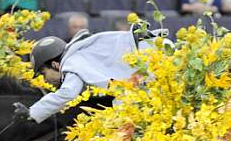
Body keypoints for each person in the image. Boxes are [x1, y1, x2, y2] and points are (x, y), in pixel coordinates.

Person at [13, 27, 165, 123]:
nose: (45, 79)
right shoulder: (82, 52)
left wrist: (33, 113)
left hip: (159, 66)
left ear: (54, 64)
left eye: (43, 73)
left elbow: (67, 93)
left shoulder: (72, 62)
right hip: (160, 55)